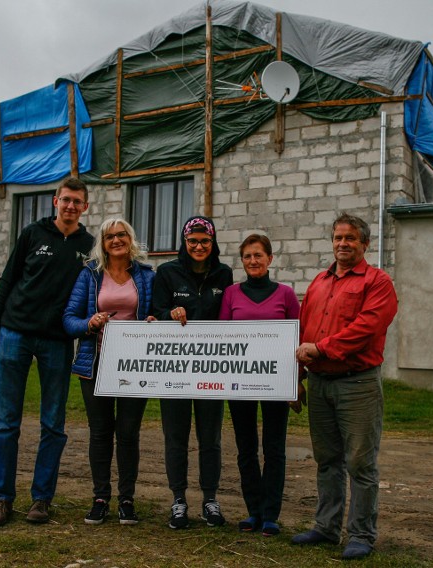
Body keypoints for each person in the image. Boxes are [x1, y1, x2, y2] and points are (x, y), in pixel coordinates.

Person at [0, 177, 94, 527]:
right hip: (15, 332)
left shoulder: (89, 245)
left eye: (78, 202)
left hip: (57, 341)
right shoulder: (32, 233)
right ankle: (1, 499)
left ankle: (41, 499)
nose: (71, 206)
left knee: (53, 424)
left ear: (85, 207)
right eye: (66, 200)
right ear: (55, 201)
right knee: (6, 422)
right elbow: (7, 279)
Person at [291, 213, 398, 560]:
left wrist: (321, 349)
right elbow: (305, 330)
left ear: (364, 243)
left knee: (360, 463)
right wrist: (299, 378)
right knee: (327, 460)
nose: (342, 244)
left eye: (350, 238)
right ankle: (326, 527)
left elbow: (367, 327)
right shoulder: (320, 283)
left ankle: (362, 534)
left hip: (358, 384)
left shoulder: (377, 282)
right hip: (320, 383)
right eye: (338, 238)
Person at [63, 218, 155, 525]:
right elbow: (69, 319)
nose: (116, 240)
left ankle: (127, 499)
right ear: (102, 243)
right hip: (96, 361)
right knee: (101, 433)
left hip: (134, 363)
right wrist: (89, 323)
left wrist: (156, 320)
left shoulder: (145, 275)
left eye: (122, 235)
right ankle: (101, 497)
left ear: (130, 238)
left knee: (128, 434)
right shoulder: (89, 274)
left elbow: (157, 311)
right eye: (109, 236)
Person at [152, 215, 233, 529]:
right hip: (175, 370)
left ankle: (210, 500)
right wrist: (168, 313)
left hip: (211, 369)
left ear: (213, 244)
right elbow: (155, 312)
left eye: (205, 241)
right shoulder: (167, 272)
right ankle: (179, 500)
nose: (199, 246)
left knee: (210, 438)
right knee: (176, 437)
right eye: (193, 241)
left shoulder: (223, 274)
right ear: (184, 243)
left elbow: (229, 315)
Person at [219, 234, 300, 537]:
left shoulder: (286, 294)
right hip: (240, 381)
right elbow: (222, 339)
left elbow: (297, 340)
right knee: (246, 448)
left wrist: (296, 382)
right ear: (242, 261)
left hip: (275, 382)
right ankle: (252, 510)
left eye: (258, 255)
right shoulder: (231, 294)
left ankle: (270, 514)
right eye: (247, 257)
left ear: (270, 259)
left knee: (274, 448)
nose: (253, 261)